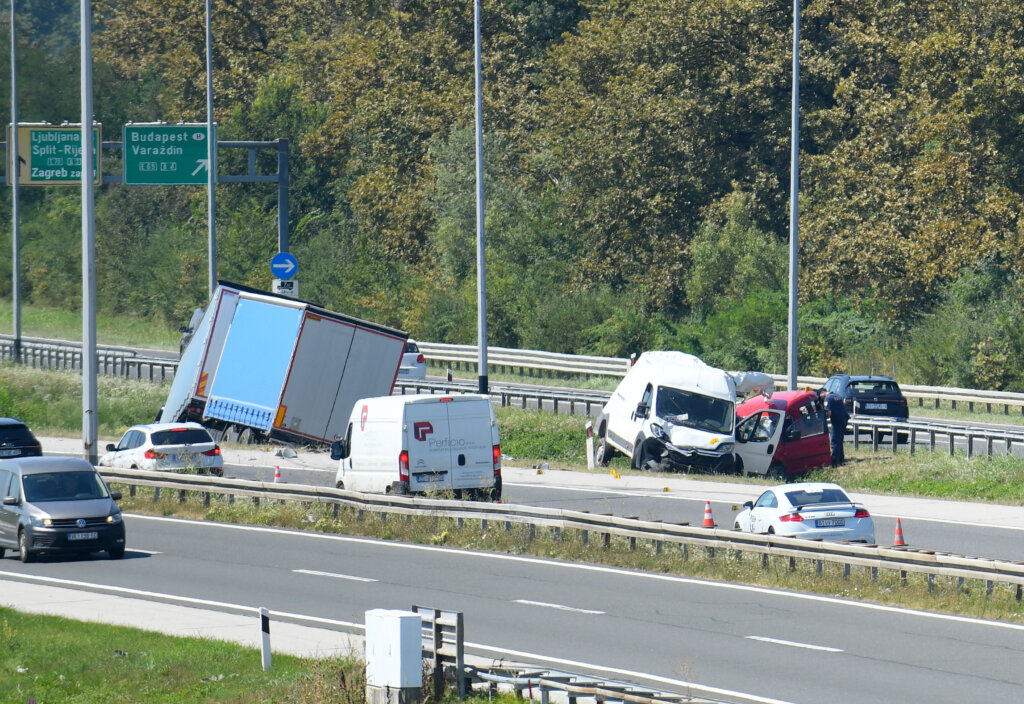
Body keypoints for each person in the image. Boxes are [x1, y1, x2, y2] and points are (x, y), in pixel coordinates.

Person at [818, 387, 850, 465]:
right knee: (839, 439)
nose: (821, 398)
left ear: (822, 393)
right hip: (844, 419)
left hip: (837, 421)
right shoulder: (837, 395)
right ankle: (841, 458)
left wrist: (822, 418)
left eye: (820, 396)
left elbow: (829, 413)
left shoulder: (827, 399)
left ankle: (835, 460)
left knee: (834, 440)